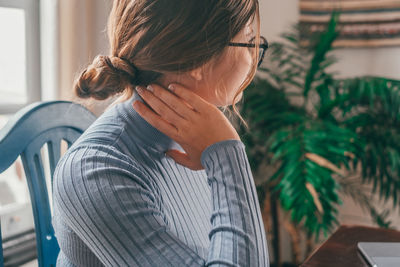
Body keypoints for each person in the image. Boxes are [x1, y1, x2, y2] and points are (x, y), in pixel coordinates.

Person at [52, 0, 270, 266]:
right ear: (196, 62)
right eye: (249, 43)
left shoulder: (196, 136)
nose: (254, 57)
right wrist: (227, 155)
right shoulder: (95, 170)